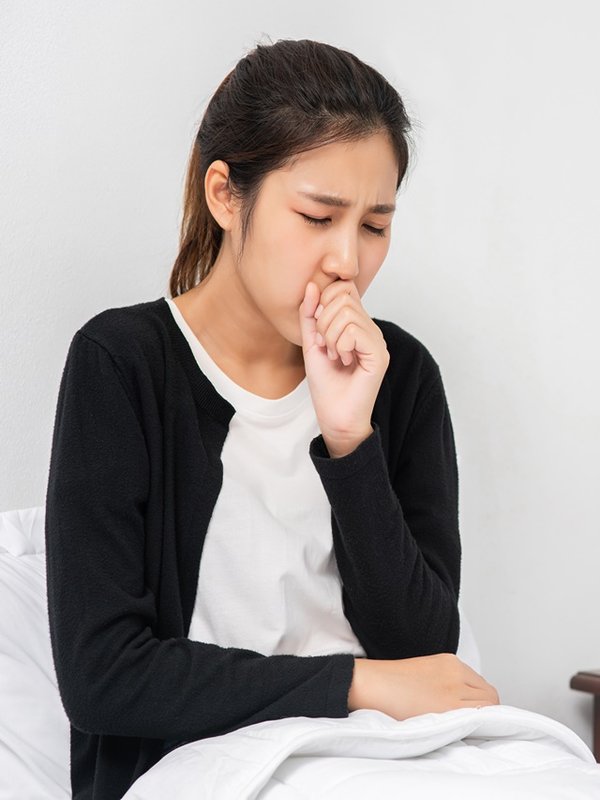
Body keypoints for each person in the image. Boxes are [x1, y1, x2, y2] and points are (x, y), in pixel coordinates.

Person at [45, 37, 499, 800]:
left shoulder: (401, 374)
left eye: (375, 226)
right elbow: (105, 678)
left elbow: (422, 652)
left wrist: (351, 442)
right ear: (226, 195)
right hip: (204, 766)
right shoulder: (120, 364)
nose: (347, 261)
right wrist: (355, 685)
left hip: (392, 763)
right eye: (319, 216)